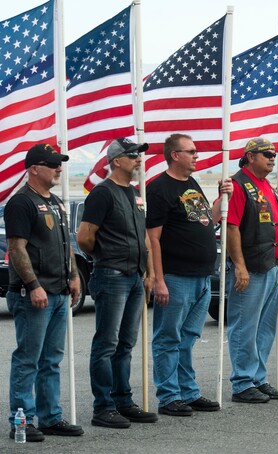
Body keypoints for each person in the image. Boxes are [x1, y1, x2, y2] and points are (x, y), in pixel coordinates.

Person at [146, 133, 230, 414]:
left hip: (202, 277)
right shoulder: (159, 188)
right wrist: (158, 279)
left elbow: (210, 219)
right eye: (191, 151)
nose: (197, 155)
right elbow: (152, 238)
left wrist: (222, 197)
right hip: (175, 276)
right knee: (168, 338)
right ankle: (169, 396)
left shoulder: (191, 184)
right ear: (174, 155)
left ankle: (188, 391)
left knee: (188, 337)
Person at [5, 144, 84, 442]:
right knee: (28, 359)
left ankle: (51, 417)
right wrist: (33, 285)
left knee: (51, 359)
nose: (59, 169)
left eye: (60, 164)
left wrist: (74, 275)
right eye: (52, 164)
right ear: (34, 168)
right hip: (34, 294)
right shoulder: (22, 203)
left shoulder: (57, 203)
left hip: (59, 291)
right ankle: (21, 421)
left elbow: (65, 245)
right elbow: (16, 248)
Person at [77, 138, 157, 428]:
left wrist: (148, 273)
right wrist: (106, 256)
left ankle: (123, 400)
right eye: (133, 155)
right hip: (111, 275)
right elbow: (85, 236)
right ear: (116, 161)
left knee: (126, 343)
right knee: (107, 343)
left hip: (135, 276)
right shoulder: (102, 193)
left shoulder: (134, 193)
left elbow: (144, 237)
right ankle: (103, 407)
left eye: (138, 154)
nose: (138, 159)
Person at [226, 137, 278, 403]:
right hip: (251, 269)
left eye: (273, 154)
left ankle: (257, 378)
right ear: (250, 156)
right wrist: (239, 266)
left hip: (272, 267)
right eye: (266, 154)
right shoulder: (238, 184)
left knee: (265, 328)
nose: (272, 158)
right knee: (245, 327)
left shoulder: (267, 185)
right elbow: (231, 227)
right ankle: (242, 383)